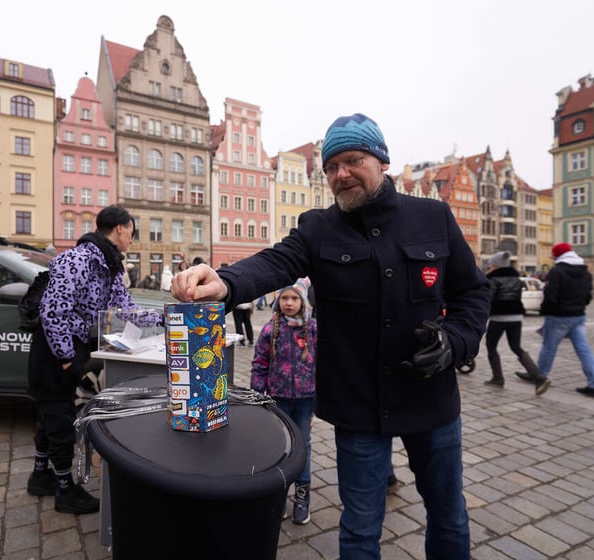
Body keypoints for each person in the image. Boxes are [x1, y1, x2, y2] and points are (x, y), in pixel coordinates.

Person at [171, 113, 490, 559]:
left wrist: (455, 341)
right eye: (331, 166)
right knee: (359, 530)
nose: (341, 174)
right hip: (357, 406)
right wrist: (224, 283)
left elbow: (473, 292)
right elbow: (275, 262)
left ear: (381, 160)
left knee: (449, 517)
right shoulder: (319, 227)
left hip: (430, 400)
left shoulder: (432, 216)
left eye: (353, 160)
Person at [27, 205, 161, 514]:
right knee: (59, 417)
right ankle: (65, 491)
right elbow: (53, 311)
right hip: (54, 349)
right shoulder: (79, 259)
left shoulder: (109, 265)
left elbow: (123, 309)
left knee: (51, 413)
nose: (132, 239)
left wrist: (164, 318)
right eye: (131, 232)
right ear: (119, 229)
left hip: (72, 347)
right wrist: (65, 356)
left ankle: (40, 476)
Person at [251, 279, 317, 524]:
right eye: (285, 298)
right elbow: (260, 364)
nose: (289, 303)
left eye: (295, 298)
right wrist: (258, 394)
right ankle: (280, 491)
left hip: (305, 399)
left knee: (304, 446)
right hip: (277, 397)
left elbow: (322, 366)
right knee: (281, 446)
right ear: (279, 300)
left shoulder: (312, 329)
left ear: (303, 302)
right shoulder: (271, 329)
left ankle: (303, 493)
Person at [529, 243, 594, 398]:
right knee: (584, 350)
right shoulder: (585, 272)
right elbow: (588, 296)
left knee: (549, 348)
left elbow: (550, 296)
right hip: (578, 316)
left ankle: (540, 376)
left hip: (558, 316)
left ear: (557, 256)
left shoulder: (557, 271)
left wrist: (545, 310)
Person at [483, 251, 548, 390]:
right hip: (516, 316)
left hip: (499, 317)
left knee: (491, 346)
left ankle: (498, 377)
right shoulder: (517, 278)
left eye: (491, 265)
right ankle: (539, 377)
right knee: (516, 347)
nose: (489, 268)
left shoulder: (493, 279)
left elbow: (488, 299)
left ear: (495, 266)